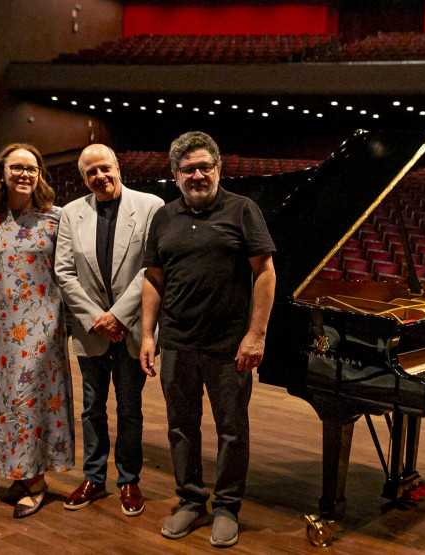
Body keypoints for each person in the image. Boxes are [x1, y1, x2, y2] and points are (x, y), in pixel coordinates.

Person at [140, 131, 276, 547]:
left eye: (205, 167)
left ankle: (227, 507)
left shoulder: (242, 210)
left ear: (218, 169)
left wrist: (256, 334)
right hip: (178, 343)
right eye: (188, 169)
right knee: (182, 428)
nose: (198, 175)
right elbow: (153, 278)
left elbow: (265, 272)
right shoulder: (164, 217)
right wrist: (147, 334)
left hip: (227, 346)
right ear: (175, 175)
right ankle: (190, 501)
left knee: (232, 430)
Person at [55, 144, 164, 516]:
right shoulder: (71, 213)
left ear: (118, 167)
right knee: (91, 408)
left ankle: (129, 479)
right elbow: (64, 272)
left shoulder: (150, 206)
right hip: (91, 331)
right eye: (91, 173)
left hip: (132, 326)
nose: (99, 177)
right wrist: (96, 319)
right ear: (83, 178)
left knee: (130, 409)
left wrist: (118, 315)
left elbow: (152, 267)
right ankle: (93, 477)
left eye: (105, 168)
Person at [0, 143, 74, 519]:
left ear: (40, 173)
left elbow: (65, 270)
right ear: (2, 172)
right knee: (2, 399)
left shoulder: (55, 218)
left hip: (41, 327)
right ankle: (18, 471)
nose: (25, 174)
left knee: (31, 399)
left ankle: (36, 481)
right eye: (17, 167)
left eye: (32, 168)